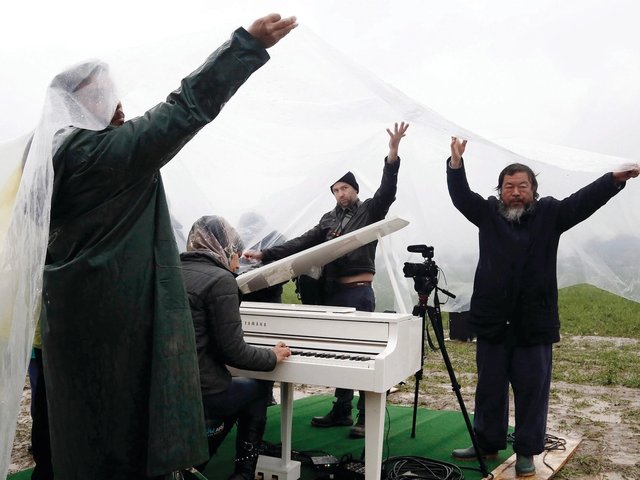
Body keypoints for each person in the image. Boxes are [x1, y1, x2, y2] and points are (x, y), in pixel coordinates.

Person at [40, 14, 297, 479]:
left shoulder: (49, 162)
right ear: (74, 105)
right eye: (102, 95)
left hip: (70, 320)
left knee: (81, 429)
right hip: (119, 319)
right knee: (126, 435)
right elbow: (185, 108)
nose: (117, 103)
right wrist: (246, 46)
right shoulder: (101, 154)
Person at [446, 137, 639, 477]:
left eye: (523, 186)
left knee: (532, 391)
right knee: (489, 388)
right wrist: (456, 165)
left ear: (534, 191)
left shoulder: (550, 214)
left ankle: (526, 452)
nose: (515, 192)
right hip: (492, 320)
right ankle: (487, 442)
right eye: (509, 187)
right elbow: (461, 197)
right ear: (500, 191)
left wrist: (612, 180)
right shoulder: (488, 214)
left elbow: (582, 201)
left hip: (534, 323)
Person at [244, 121, 409, 438]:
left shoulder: (370, 211)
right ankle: (341, 410)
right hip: (332, 295)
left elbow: (388, 190)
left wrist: (392, 153)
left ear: (354, 189)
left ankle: (365, 416)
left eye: (344, 188)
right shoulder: (327, 219)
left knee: (362, 354)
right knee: (342, 354)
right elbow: (301, 243)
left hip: (359, 292)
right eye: (335, 190)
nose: (340, 193)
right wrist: (265, 254)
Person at [180, 216, 291, 480]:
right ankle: (242, 474)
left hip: (169, 384)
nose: (238, 264)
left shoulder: (169, 270)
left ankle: (193, 462)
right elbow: (233, 352)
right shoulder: (221, 279)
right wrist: (271, 356)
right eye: (236, 255)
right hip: (201, 388)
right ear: (224, 248)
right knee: (257, 388)